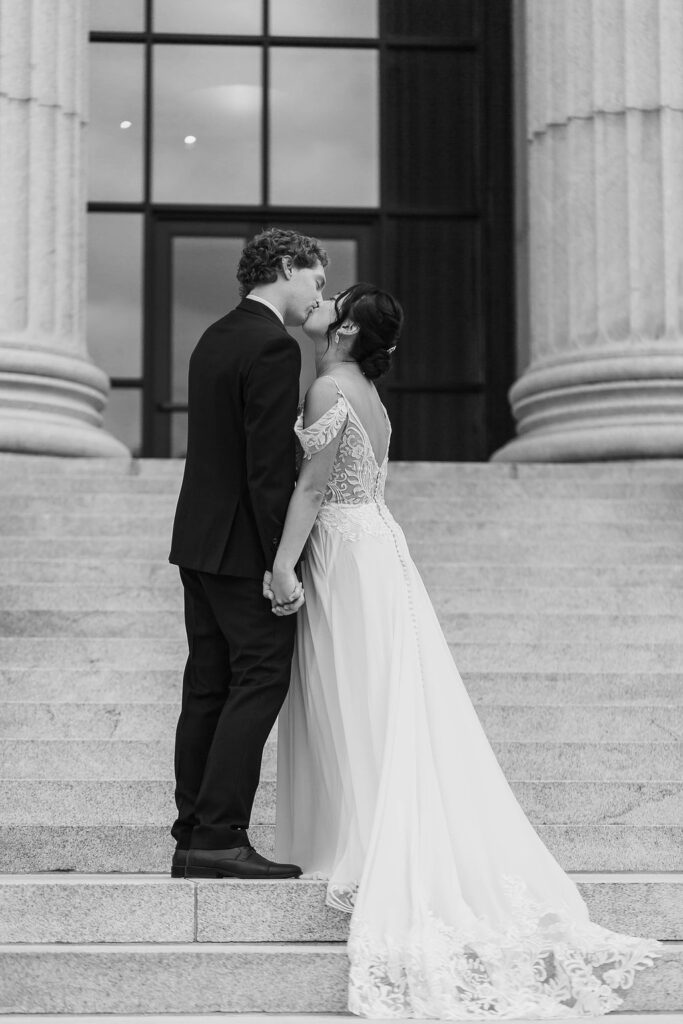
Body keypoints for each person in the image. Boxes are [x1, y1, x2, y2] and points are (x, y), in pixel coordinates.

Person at [268, 283, 661, 1018]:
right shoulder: (366, 395)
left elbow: (316, 486)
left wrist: (284, 562)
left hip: (346, 552)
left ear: (348, 328)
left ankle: (361, 841)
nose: (324, 312)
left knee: (358, 694)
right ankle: (359, 831)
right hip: (378, 545)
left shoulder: (326, 386)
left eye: (335, 306)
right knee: (380, 693)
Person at [168, 227, 326, 880]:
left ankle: (191, 836)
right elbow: (266, 468)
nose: (319, 294)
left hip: (198, 544)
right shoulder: (270, 344)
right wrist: (278, 563)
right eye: (316, 280)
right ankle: (221, 835)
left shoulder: (214, 335)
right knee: (260, 677)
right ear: (287, 266)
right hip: (240, 550)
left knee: (207, 685)